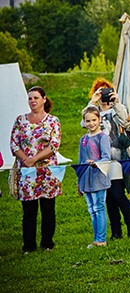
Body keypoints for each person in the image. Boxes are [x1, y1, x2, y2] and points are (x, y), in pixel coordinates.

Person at [9, 86, 62, 253]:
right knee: (29, 211)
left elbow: (54, 145)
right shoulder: (20, 121)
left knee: (48, 208)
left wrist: (35, 159)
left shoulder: (53, 121)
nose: (32, 101)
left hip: (47, 171)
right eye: (30, 98)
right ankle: (29, 245)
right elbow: (14, 143)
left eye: (36, 98)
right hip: (26, 171)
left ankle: (47, 243)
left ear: (44, 99)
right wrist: (25, 159)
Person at [87, 79, 130, 239]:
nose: (104, 96)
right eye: (100, 92)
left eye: (106, 92)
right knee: (107, 197)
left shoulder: (117, 110)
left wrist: (116, 103)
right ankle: (116, 231)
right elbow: (84, 122)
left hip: (116, 159)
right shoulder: (93, 114)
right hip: (99, 161)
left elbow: (126, 121)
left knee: (118, 194)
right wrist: (92, 102)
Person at [78, 106, 112, 247]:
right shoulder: (83, 139)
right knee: (91, 209)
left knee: (99, 207)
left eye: (94, 120)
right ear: (84, 122)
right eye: (88, 121)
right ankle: (95, 238)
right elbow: (81, 161)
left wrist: (95, 164)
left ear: (99, 120)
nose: (91, 123)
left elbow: (106, 157)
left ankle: (101, 239)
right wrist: (79, 181)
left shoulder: (103, 137)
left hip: (98, 177)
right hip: (86, 179)